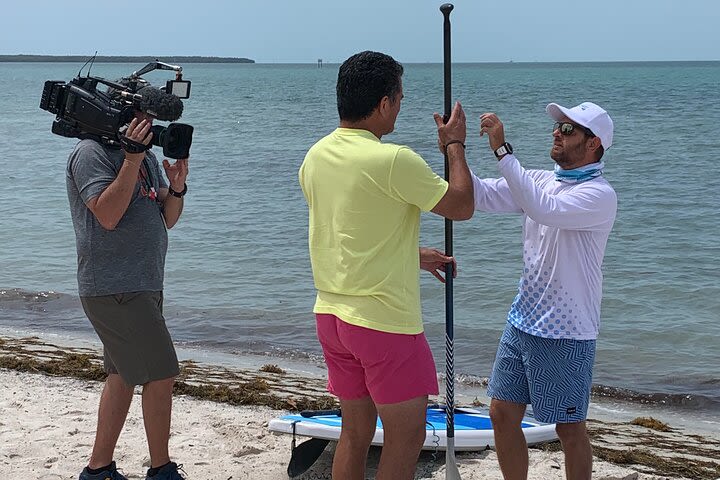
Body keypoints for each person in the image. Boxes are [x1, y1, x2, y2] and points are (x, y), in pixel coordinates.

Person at [298, 50, 474, 480]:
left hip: (333, 316)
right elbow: (461, 204)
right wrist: (454, 145)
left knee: (355, 433)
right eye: (399, 98)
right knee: (406, 436)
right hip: (384, 324)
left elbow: (347, 235)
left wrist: (410, 255)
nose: (400, 106)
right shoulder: (393, 159)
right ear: (383, 104)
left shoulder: (316, 156)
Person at [472, 102, 617, 480]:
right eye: (557, 126)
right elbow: (482, 194)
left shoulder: (599, 195)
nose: (557, 132)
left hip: (567, 331)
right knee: (501, 414)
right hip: (523, 320)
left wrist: (503, 151)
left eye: (569, 130)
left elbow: (545, 210)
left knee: (569, 429)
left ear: (593, 143)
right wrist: (454, 148)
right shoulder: (539, 180)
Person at [66, 85, 190, 480]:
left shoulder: (145, 157)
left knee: (122, 376)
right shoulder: (90, 154)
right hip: (114, 287)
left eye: (152, 120)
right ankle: (162, 470)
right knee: (161, 372)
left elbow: (167, 218)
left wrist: (178, 185)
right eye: (143, 117)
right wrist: (132, 160)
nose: (148, 126)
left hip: (143, 284)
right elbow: (107, 215)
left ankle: (98, 470)